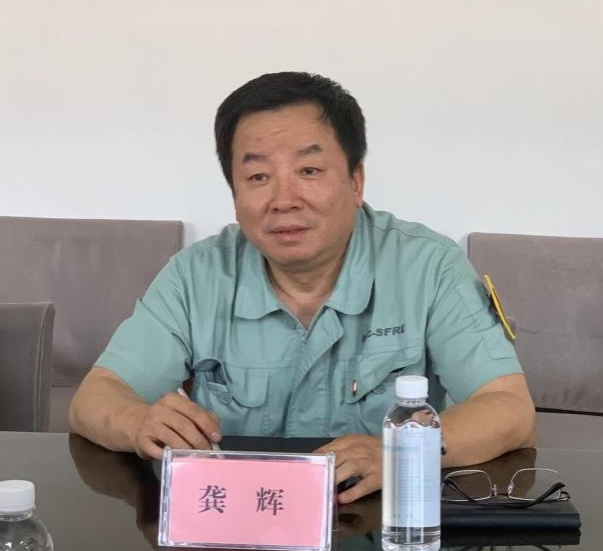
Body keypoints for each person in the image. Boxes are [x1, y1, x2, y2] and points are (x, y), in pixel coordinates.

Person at [70, 71, 536, 504]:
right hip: (240, 517)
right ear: (234, 194)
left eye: (309, 171)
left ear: (356, 180)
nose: (284, 200)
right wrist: (139, 422)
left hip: (381, 520)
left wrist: (400, 452)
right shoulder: (196, 275)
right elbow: (96, 397)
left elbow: (509, 409)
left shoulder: (429, 267)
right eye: (258, 177)